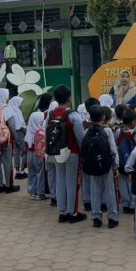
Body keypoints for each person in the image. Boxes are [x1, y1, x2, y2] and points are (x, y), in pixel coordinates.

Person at [48, 85, 87, 223]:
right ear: (69, 98)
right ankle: (73, 213)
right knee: (72, 183)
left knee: (60, 181)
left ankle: (62, 212)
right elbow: (80, 137)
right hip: (72, 152)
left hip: (57, 152)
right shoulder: (73, 115)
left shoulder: (51, 114)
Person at [82, 105, 120, 229]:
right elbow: (113, 150)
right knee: (109, 191)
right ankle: (112, 217)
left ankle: (96, 217)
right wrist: (116, 166)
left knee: (95, 191)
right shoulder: (107, 131)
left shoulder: (87, 131)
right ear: (103, 117)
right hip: (106, 165)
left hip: (92, 166)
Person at [0, 89, 20, 193]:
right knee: (7, 162)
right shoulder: (6, 108)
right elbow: (11, 124)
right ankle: (9, 185)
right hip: (5, 138)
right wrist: (16, 137)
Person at [25, 94, 52, 201]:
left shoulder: (33, 114)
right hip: (40, 147)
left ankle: (32, 191)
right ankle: (40, 192)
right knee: (40, 171)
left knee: (31, 170)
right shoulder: (45, 115)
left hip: (30, 145)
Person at [116, 109, 136, 215]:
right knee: (131, 183)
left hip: (121, 162)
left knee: (123, 183)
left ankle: (125, 204)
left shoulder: (118, 132)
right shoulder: (134, 134)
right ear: (133, 122)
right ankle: (133, 204)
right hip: (132, 163)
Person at [7, 96, 28, 180]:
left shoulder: (11, 111)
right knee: (23, 151)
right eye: (21, 103)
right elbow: (20, 125)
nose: (22, 105)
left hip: (14, 134)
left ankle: (18, 170)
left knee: (16, 152)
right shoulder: (17, 112)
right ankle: (22, 171)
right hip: (19, 133)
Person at [45, 100, 59, 206]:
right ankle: (59, 195)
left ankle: (53, 196)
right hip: (59, 151)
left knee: (51, 173)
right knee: (59, 173)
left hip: (49, 150)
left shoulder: (47, 120)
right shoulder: (61, 119)